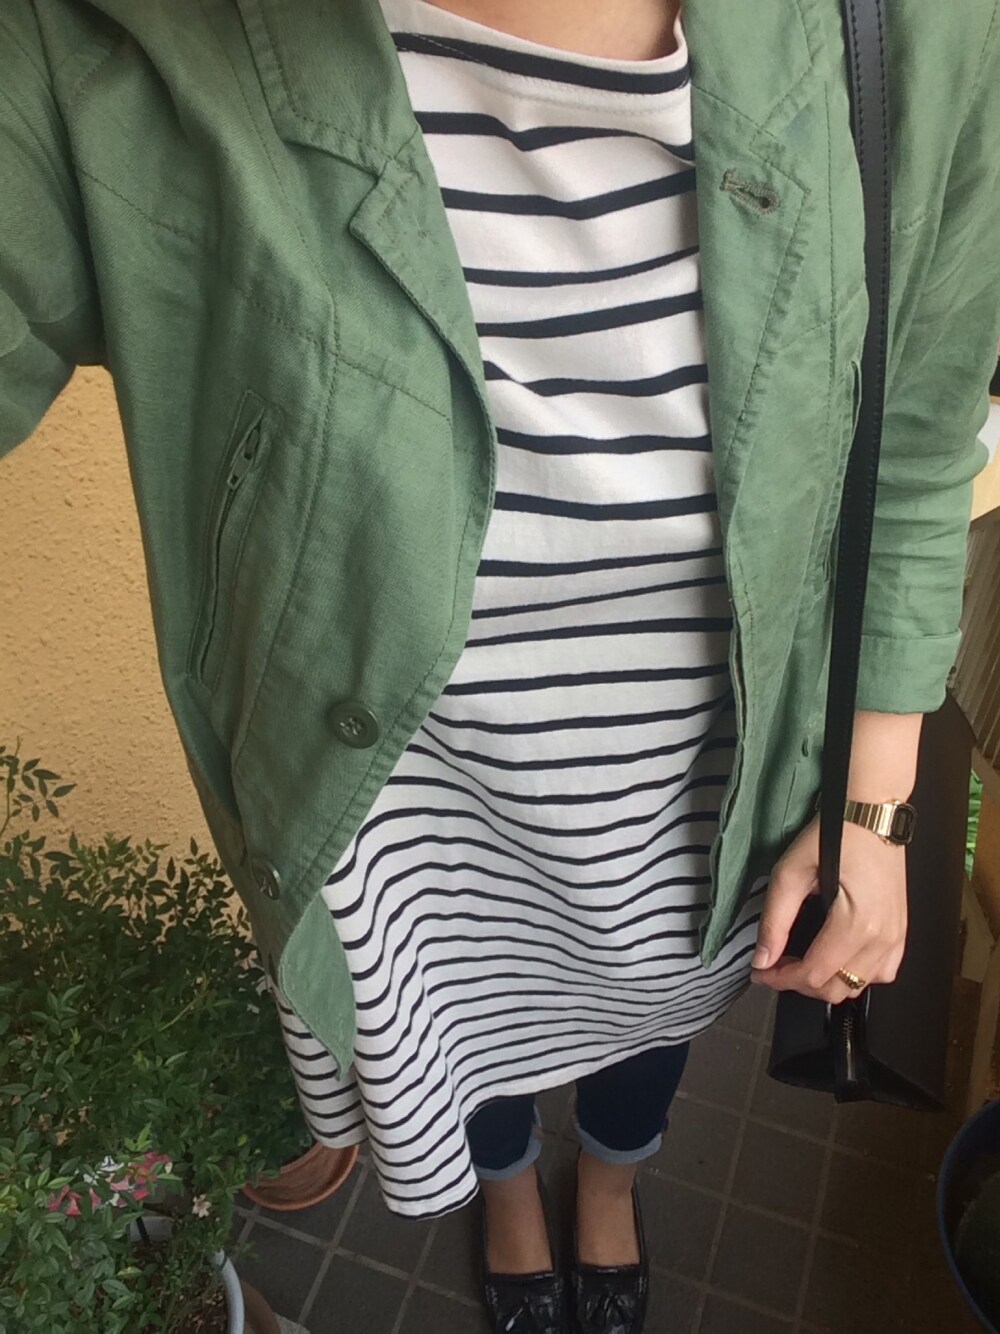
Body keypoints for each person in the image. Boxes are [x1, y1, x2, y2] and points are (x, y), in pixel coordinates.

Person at [2, 1, 998, 1330]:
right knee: (461, 1029)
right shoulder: (109, 41)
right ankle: (512, 1186)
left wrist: (876, 804)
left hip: (692, 801)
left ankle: (612, 1181)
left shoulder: (912, 22)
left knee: (651, 1020)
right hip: (413, 830)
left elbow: (920, 423)